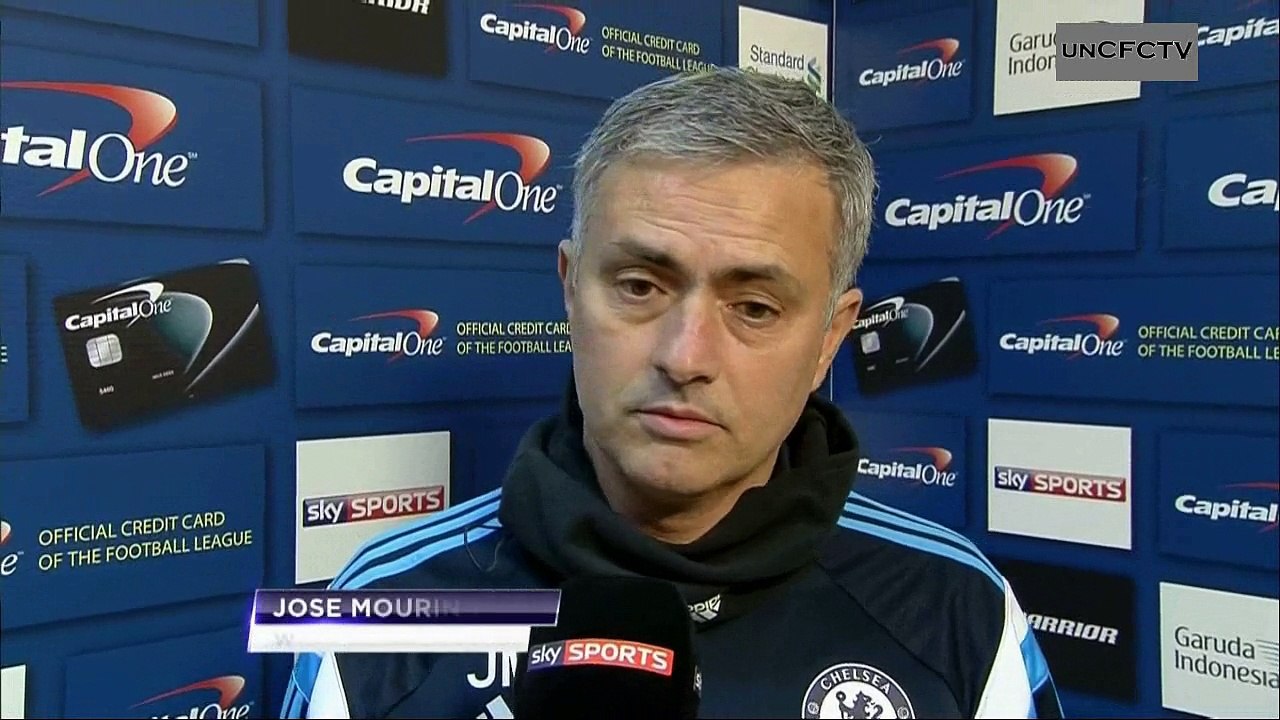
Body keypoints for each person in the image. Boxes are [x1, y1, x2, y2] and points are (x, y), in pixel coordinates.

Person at [280, 67, 1063, 719]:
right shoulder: (380, 611)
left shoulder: (959, 606)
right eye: (640, 285)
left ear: (831, 337)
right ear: (569, 290)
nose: (685, 357)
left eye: (754, 306)